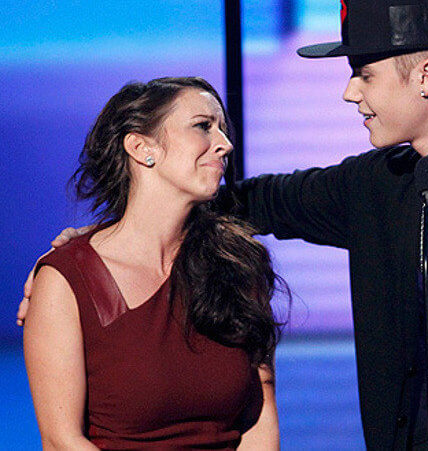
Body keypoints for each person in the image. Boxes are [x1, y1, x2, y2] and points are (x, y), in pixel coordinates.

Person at [19, 1, 428, 449]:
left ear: (426, 76)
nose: (349, 93)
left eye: (364, 74)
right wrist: (96, 251)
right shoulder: (381, 185)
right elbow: (246, 201)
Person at [22, 77, 283, 449]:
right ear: (142, 147)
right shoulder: (69, 278)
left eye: (223, 129)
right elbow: (62, 440)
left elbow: (259, 422)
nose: (224, 145)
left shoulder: (238, 263)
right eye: (203, 126)